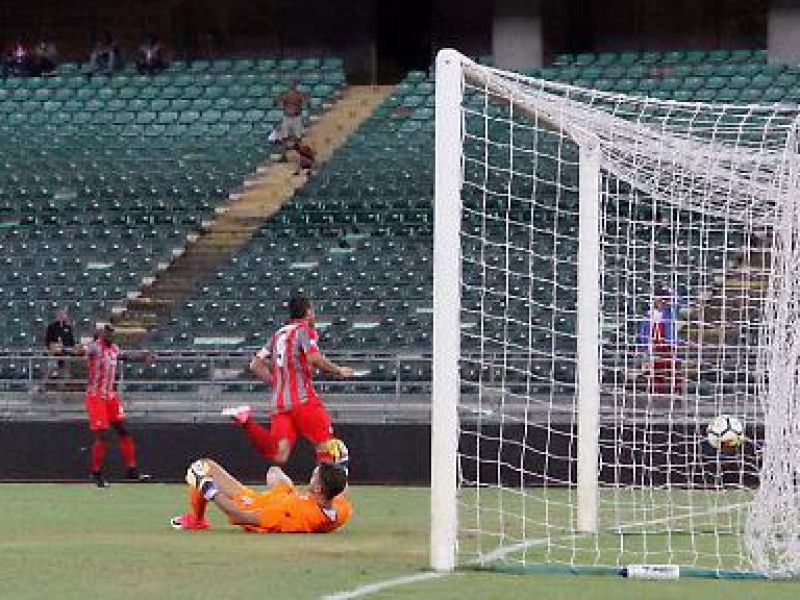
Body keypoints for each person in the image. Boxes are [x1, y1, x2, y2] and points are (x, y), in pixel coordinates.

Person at [222, 296, 354, 465]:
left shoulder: (278, 334)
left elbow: (255, 365)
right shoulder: (304, 330)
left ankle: (246, 421)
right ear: (307, 312)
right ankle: (325, 490)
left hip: (280, 403)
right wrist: (339, 370)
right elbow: (314, 358)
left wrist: (277, 383)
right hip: (303, 400)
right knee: (327, 447)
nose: (314, 315)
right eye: (312, 311)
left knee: (279, 453)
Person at [171, 459, 351, 533]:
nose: (310, 477)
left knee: (202, 468)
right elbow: (342, 489)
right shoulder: (341, 509)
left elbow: (238, 515)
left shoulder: (292, 512)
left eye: (314, 476)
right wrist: (343, 462)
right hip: (282, 498)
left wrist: (207, 487)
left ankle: (197, 519)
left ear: (318, 489)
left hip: (253, 506)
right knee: (275, 471)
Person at [85, 324, 152, 487]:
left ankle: (132, 470)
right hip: (96, 396)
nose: (109, 334)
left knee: (124, 431)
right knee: (104, 435)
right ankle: (96, 473)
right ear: (101, 334)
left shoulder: (114, 349)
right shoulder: (95, 348)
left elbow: (124, 356)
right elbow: (83, 351)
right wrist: (64, 350)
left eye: (111, 332)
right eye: (106, 332)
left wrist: (142, 357)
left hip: (110, 396)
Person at [44, 306, 77, 380]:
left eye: (63, 314)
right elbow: (48, 342)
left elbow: (72, 342)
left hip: (67, 353)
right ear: (57, 315)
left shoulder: (68, 327)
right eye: (60, 314)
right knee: (52, 362)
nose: (62, 316)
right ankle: (50, 378)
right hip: (54, 353)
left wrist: (69, 349)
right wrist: (54, 347)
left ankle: (67, 378)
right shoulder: (51, 327)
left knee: (69, 361)